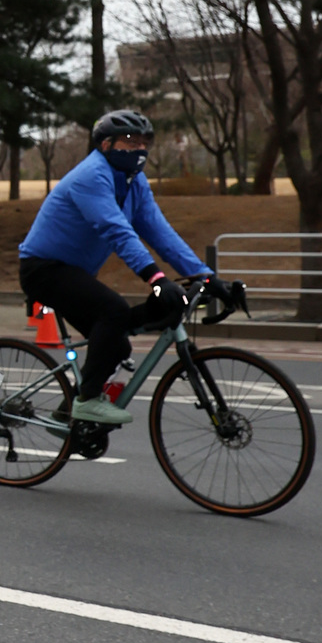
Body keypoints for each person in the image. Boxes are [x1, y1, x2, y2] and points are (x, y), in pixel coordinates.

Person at [18, 110, 234, 425]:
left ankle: (69, 414)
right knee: (114, 311)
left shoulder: (135, 182)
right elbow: (117, 231)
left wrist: (207, 277)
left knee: (117, 343)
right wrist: (157, 279)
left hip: (72, 271)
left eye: (145, 142)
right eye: (130, 142)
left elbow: (161, 233)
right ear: (106, 144)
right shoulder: (91, 175)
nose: (139, 149)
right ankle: (88, 400)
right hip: (43, 269)